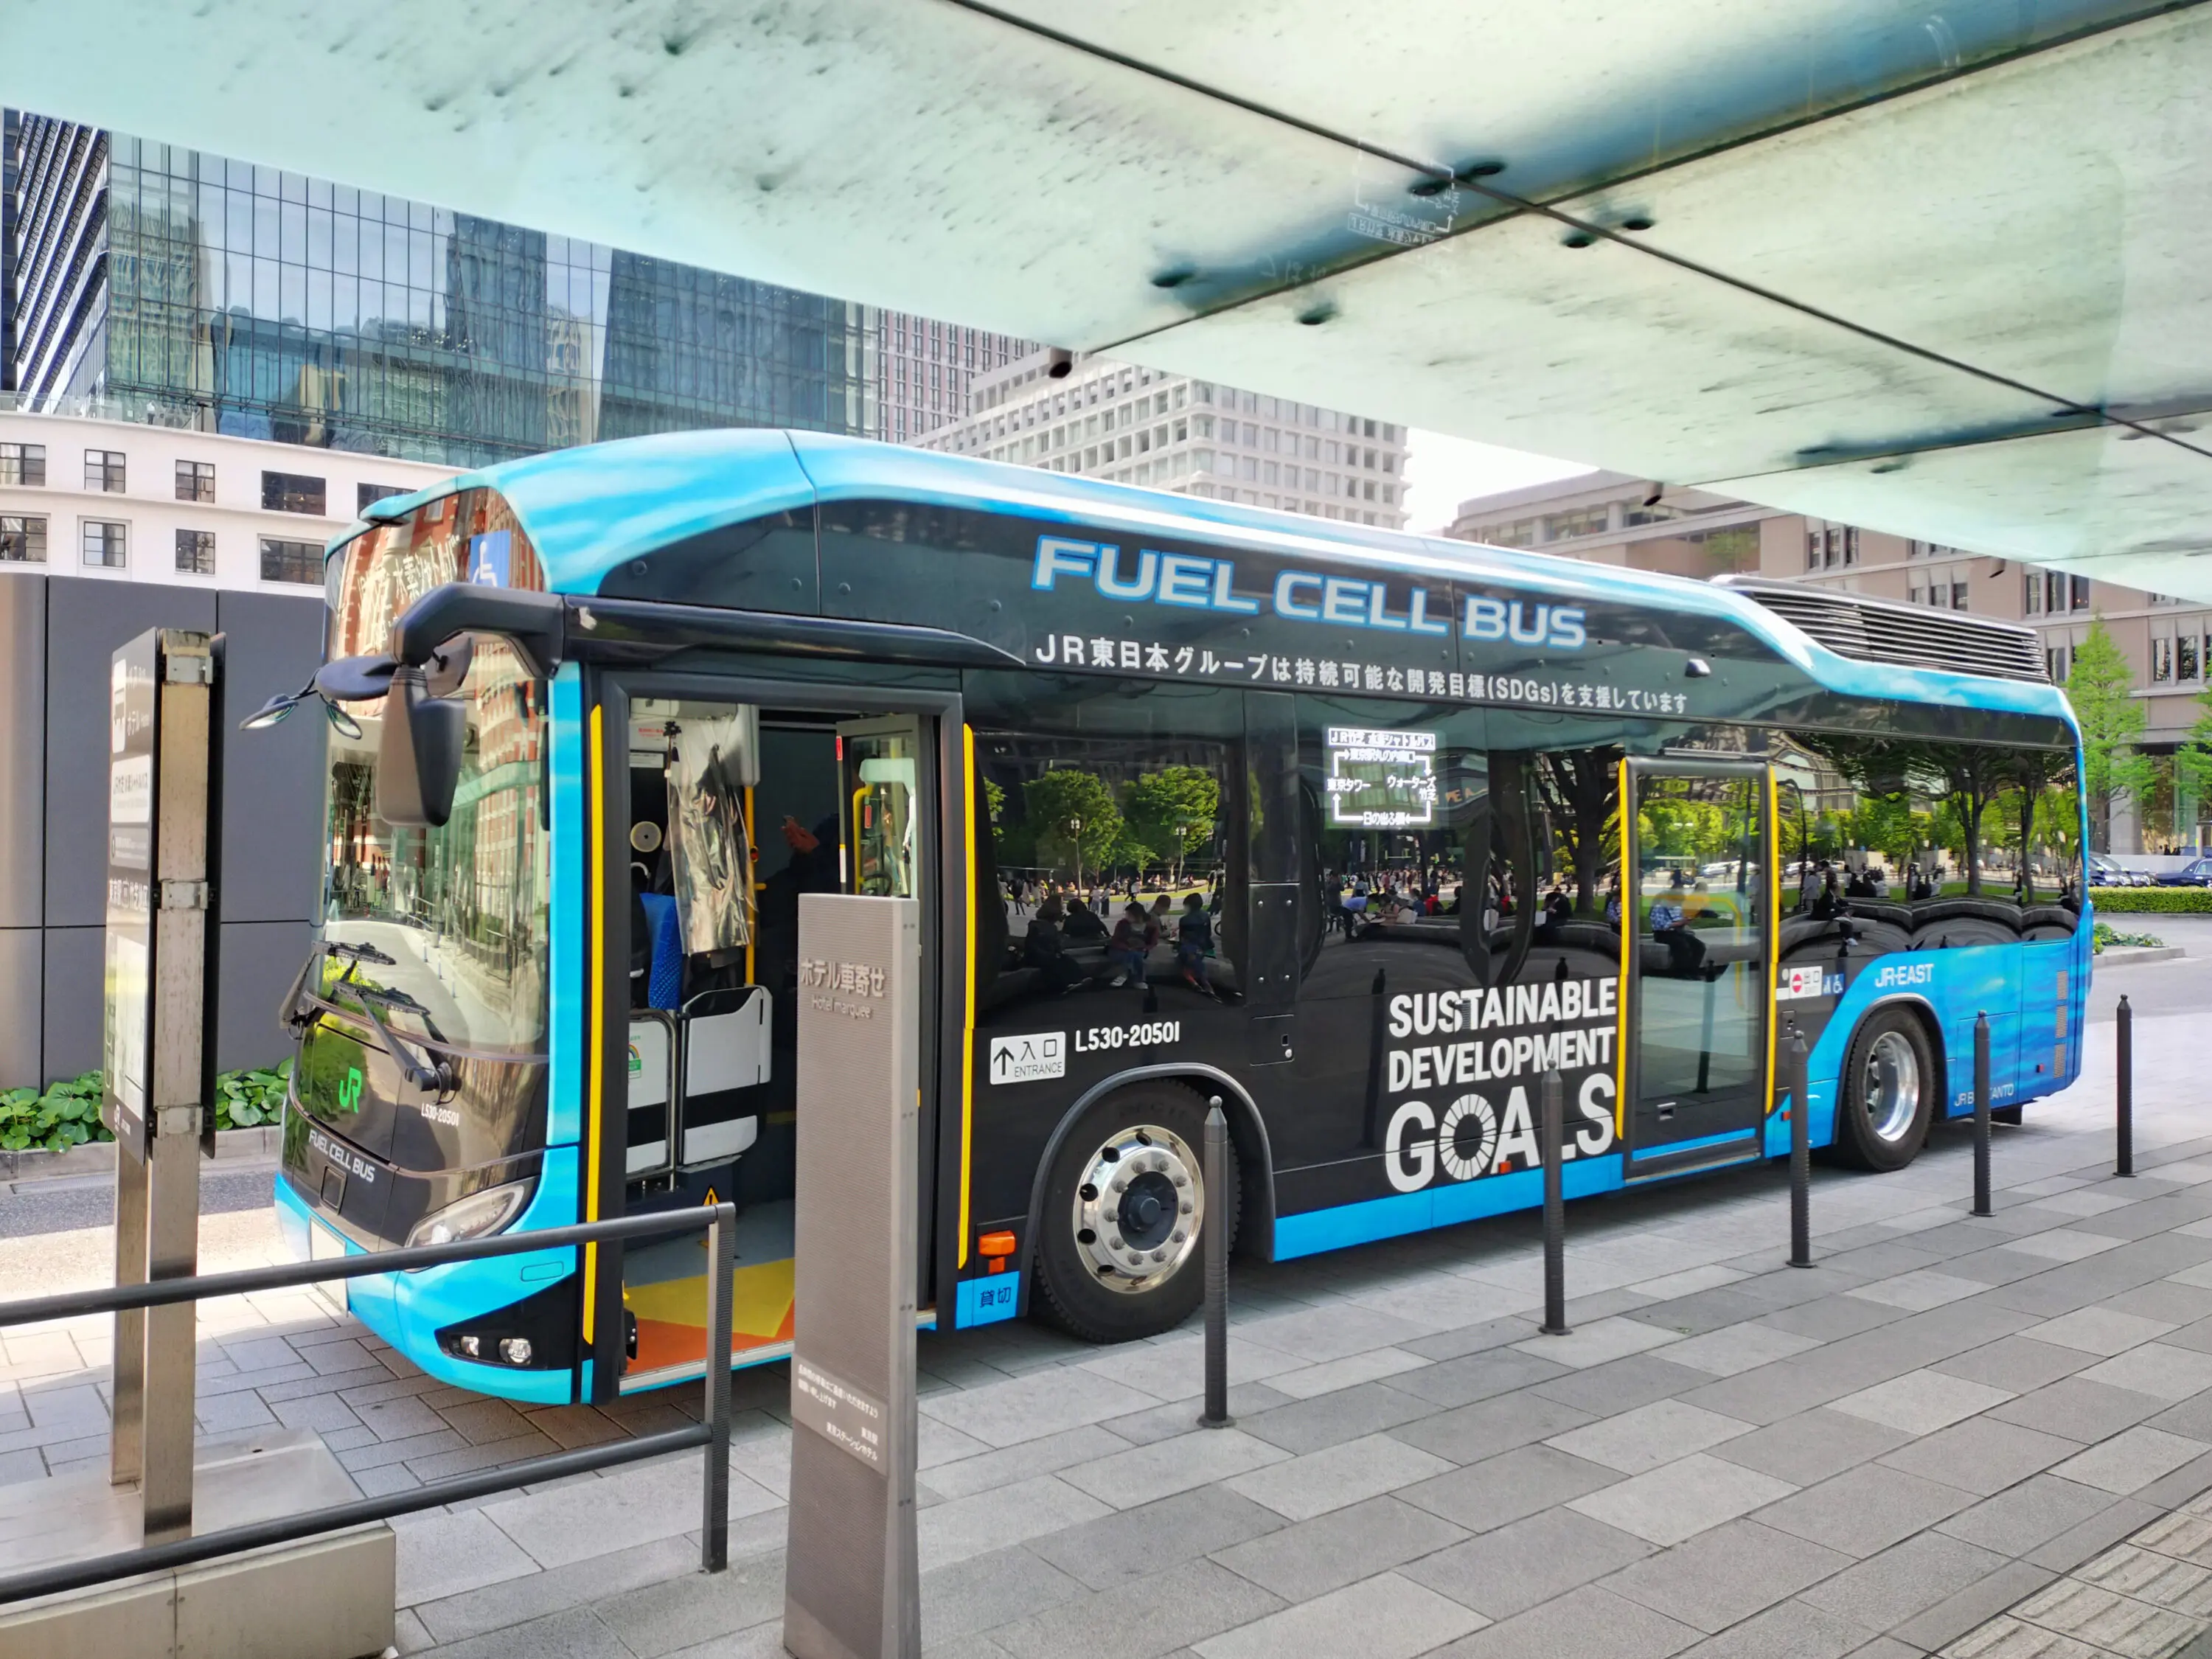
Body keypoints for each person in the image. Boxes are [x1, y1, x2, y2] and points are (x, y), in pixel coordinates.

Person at [1175, 893, 1218, 995]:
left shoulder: (1185, 920)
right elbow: (1208, 933)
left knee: (1185, 960)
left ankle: (1196, 982)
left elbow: (1182, 938)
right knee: (1194, 959)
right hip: (1204, 947)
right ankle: (1204, 983)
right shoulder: (1205, 916)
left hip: (1190, 948)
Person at [1107, 902, 1155, 987]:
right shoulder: (1122, 924)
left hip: (1139, 949)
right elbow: (1115, 940)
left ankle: (1125, 974)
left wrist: (1145, 947)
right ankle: (1138, 979)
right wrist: (1127, 947)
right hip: (1122, 949)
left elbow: (1153, 942)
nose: (1126, 917)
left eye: (1129, 914)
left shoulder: (1150, 927)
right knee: (1133, 955)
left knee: (1136, 955)